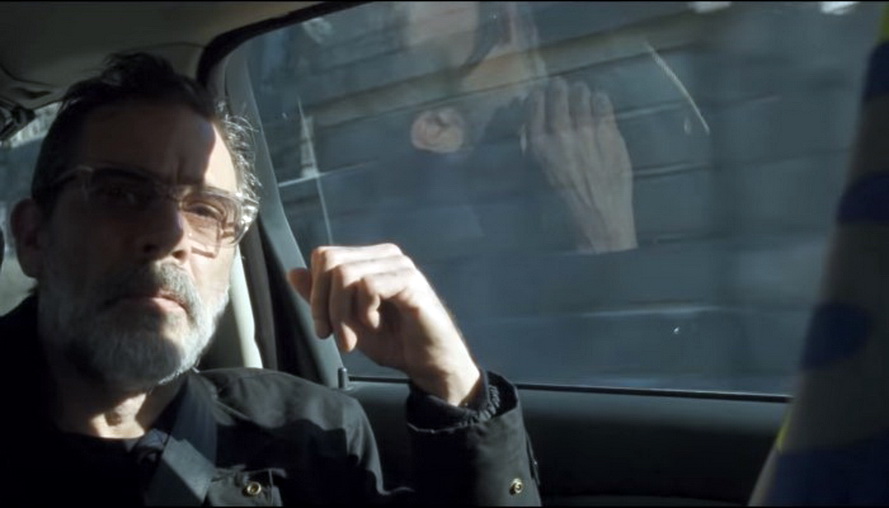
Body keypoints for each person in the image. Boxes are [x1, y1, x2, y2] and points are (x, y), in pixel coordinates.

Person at [0, 53, 540, 505]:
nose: (169, 235)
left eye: (206, 211)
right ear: (33, 236)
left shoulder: (312, 437)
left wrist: (451, 382)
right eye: (121, 193)